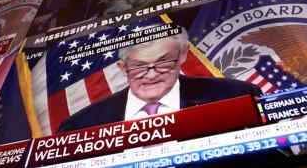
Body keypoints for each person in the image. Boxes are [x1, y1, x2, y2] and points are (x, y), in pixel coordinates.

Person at [58, 27, 261, 132]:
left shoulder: (238, 96)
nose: (152, 74)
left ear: (182, 56)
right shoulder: (79, 125)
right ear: (122, 67)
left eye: (163, 62)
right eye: (139, 66)